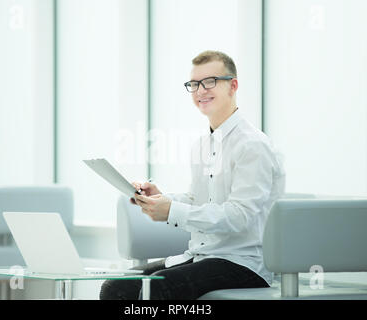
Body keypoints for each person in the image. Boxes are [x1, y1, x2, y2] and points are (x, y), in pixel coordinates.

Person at [100, 50, 286, 300]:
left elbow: (240, 216)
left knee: (154, 289)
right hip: (204, 255)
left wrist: (171, 211)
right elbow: (201, 201)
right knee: (117, 287)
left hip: (244, 264)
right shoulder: (201, 144)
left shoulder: (252, 145)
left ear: (233, 86)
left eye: (210, 82)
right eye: (194, 84)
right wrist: (161, 198)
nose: (200, 90)